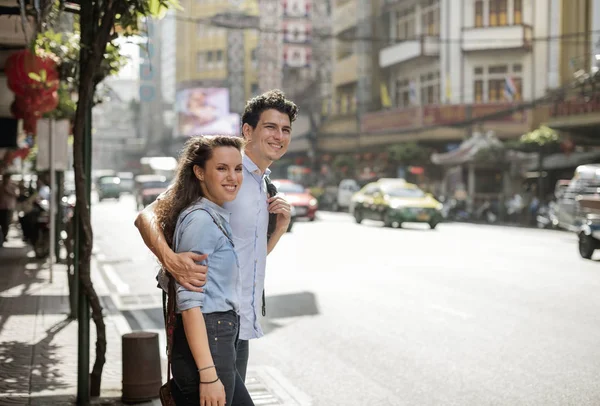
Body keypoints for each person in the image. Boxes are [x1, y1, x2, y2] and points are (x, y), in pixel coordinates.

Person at [135, 89, 297, 381]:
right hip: (210, 322)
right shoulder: (224, 176)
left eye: (285, 129)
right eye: (270, 127)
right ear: (247, 130)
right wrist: (170, 260)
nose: (279, 136)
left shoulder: (263, 184)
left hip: (240, 321)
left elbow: (243, 257)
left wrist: (280, 229)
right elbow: (146, 216)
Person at [155, 135, 253, 406]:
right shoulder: (200, 220)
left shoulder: (213, 214)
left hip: (218, 335)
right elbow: (189, 305)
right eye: (221, 168)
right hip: (210, 337)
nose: (232, 177)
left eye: (237, 168)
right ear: (199, 172)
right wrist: (208, 376)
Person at [0, 173, 19, 245]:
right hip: (1, 207)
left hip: (9, 207)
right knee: (2, 222)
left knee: (7, 223)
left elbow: (16, 194)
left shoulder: (12, 186)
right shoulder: (1, 186)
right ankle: (2, 236)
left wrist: (8, 190)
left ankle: (4, 236)